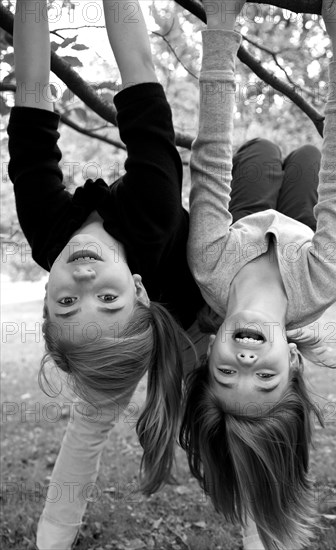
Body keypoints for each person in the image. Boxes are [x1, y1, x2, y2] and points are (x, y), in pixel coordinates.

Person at [8, 1, 209, 548]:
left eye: (66, 304)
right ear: (136, 289)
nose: (83, 283)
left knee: (95, 407)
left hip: (130, 337)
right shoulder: (151, 210)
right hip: (192, 323)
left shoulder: (47, 230)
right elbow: (140, 72)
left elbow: (31, 95)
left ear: (47, 299)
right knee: (222, 403)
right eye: (108, 299)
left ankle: (49, 539)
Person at [180, 0, 336, 549]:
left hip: (246, 216)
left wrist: (220, 22)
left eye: (225, 376)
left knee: (258, 151)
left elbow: (210, 154)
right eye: (265, 378)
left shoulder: (208, 264)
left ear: (208, 357)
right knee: (311, 155)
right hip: (304, 231)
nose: (246, 364)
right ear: (293, 365)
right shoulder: (324, 280)